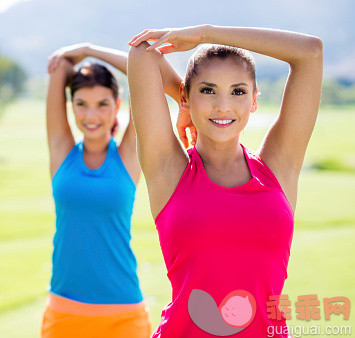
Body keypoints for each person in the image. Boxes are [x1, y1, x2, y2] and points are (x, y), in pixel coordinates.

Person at [127, 25, 322, 337]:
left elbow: (310, 52)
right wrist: (185, 101)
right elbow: (142, 51)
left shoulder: (278, 167)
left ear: (254, 101)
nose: (223, 106)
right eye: (208, 90)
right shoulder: (169, 169)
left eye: (238, 91)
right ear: (187, 97)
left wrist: (206, 34)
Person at [42, 43, 152, 338]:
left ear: (118, 106)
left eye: (102, 104)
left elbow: (146, 73)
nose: (91, 115)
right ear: (71, 106)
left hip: (124, 315)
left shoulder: (128, 155)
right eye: (81, 103)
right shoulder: (61, 150)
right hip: (64, 313)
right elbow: (61, 64)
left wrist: (91, 49)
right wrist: (71, 58)